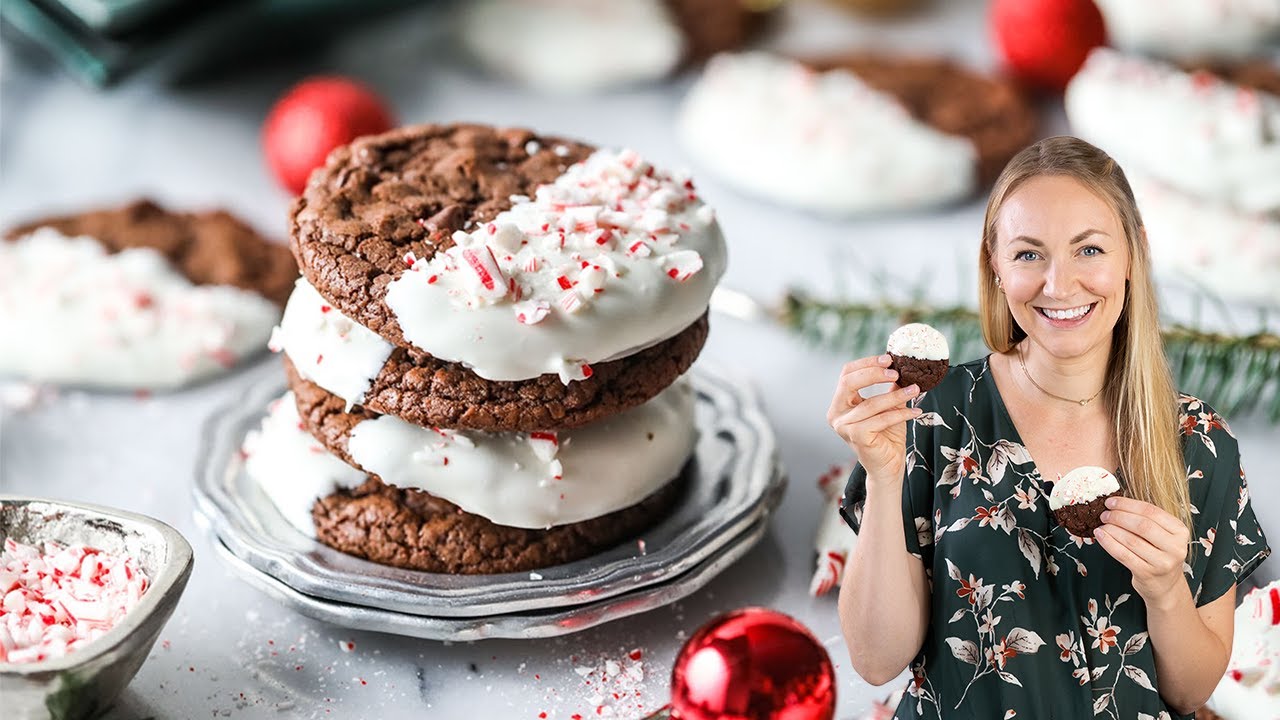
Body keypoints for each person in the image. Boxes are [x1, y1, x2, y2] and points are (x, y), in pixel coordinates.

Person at [828, 136, 1270, 719]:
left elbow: (1188, 692)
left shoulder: (1199, 443)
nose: (1059, 286)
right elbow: (876, 660)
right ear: (996, 265)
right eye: (1029, 254)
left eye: (1088, 250)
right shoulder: (933, 414)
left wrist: (1165, 591)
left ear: (1133, 256)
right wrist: (884, 478)